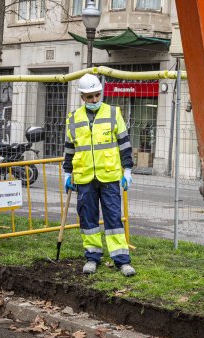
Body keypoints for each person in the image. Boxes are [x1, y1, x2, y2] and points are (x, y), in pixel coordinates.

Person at [63, 73, 136, 277]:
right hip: (84, 177)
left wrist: (127, 170)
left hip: (110, 176)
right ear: (82, 97)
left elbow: (124, 144)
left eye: (97, 95)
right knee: (88, 218)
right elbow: (70, 149)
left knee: (113, 218)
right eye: (90, 97)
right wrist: (67, 173)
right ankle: (92, 257)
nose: (94, 100)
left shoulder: (113, 113)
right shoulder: (73, 119)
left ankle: (122, 260)